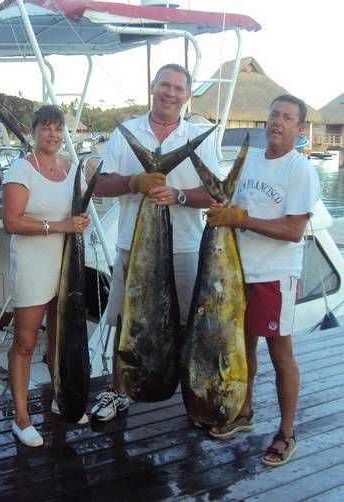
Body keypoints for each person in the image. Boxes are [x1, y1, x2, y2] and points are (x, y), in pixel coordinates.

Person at [91, 63, 220, 421]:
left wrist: (177, 194)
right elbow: (101, 185)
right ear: (153, 86)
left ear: (187, 95)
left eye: (179, 88)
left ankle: (193, 394)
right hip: (134, 249)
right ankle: (118, 392)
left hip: (186, 249)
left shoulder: (198, 137)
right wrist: (135, 182)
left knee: (189, 325)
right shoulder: (127, 132)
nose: (170, 93)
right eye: (165, 85)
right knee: (124, 322)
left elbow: (214, 194)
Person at [206, 95, 320, 467]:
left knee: (281, 353)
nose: (277, 122)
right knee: (244, 348)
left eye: (287, 118)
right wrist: (223, 214)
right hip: (239, 273)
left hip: (275, 276)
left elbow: (293, 230)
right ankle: (244, 411)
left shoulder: (299, 169)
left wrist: (241, 220)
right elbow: (238, 211)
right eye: (273, 115)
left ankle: (287, 433)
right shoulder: (252, 161)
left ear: (298, 128)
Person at [2, 105, 90, 447]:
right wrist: (60, 226)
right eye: (46, 128)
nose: (53, 134)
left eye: (58, 128)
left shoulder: (70, 169)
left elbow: (72, 217)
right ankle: (21, 418)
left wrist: (76, 223)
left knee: (59, 338)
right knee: (24, 343)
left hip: (65, 265)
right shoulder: (22, 169)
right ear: (34, 130)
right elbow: (12, 221)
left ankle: (61, 399)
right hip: (32, 265)